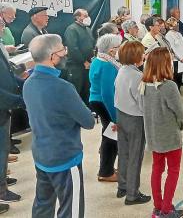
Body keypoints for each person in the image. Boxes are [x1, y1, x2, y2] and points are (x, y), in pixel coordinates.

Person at [23, 34, 95, 217]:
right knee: (71, 208)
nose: (65, 53)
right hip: (64, 157)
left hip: (41, 154)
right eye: (62, 49)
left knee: (43, 203)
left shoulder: (28, 83)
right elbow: (88, 122)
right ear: (52, 56)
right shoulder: (63, 87)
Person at [140, 47, 183, 218]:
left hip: (153, 135)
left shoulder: (144, 84)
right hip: (170, 136)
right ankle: (167, 209)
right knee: (173, 171)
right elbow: (180, 113)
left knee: (157, 169)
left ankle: (158, 207)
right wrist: (181, 125)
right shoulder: (169, 86)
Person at [114, 41, 151, 205]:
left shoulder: (122, 70)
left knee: (124, 152)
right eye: (142, 53)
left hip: (121, 115)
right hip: (135, 119)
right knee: (135, 155)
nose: (144, 55)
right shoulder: (137, 76)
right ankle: (132, 194)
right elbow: (142, 103)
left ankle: (122, 186)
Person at [89, 34, 122, 182]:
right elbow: (107, 93)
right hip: (104, 103)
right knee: (111, 139)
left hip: (97, 101)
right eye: (117, 47)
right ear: (110, 50)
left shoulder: (98, 59)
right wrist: (115, 117)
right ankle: (105, 172)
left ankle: (106, 168)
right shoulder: (107, 65)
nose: (118, 50)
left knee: (107, 136)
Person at [0, 19, 24, 213]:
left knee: (3, 149)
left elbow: (6, 72)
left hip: (4, 107)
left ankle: (2, 182)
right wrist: (17, 100)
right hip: (2, 107)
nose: (4, 27)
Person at [64, 8, 95, 105]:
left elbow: (92, 45)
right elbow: (73, 48)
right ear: (77, 17)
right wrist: (84, 62)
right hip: (76, 66)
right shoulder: (71, 29)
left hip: (88, 65)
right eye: (85, 16)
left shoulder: (88, 30)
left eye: (88, 15)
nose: (88, 18)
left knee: (87, 90)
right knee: (76, 90)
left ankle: (87, 110)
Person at [165, 17, 183, 91]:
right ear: (171, 26)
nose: (178, 26)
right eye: (176, 25)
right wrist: (180, 58)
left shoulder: (179, 34)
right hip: (176, 60)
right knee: (175, 77)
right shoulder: (168, 35)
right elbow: (172, 48)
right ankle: (174, 91)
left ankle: (178, 90)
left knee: (180, 77)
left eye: (177, 24)